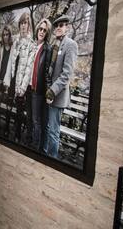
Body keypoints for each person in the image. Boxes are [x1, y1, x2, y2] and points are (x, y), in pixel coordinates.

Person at [43, 15, 78, 158]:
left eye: (62, 25)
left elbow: (66, 74)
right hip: (48, 93)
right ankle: (45, 154)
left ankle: (52, 159)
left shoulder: (70, 44)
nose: (58, 27)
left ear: (67, 28)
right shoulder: (54, 44)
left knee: (53, 131)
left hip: (57, 95)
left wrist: (51, 91)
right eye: (56, 25)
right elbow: (49, 71)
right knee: (47, 128)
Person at [7, 12, 36, 143]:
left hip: (21, 83)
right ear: (19, 25)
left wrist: (23, 88)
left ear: (28, 26)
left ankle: (17, 135)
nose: (23, 25)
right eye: (22, 23)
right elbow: (10, 61)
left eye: (26, 23)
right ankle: (8, 130)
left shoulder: (31, 44)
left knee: (19, 111)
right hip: (12, 80)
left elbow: (29, 69)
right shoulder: (15, 40)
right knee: (9, 106)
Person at [29, 18, 52, 151]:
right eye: (40, 29)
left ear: (47, 33)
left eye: (45, 30)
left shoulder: (46, 49)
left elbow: (47, 72)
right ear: (37, 29)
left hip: (38, 90)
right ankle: (31, 142)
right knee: (31, 119)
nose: (42, 31)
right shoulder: (33, 46)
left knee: (37, 121)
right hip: (28, 87)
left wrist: (48, 92)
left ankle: (35, 148)